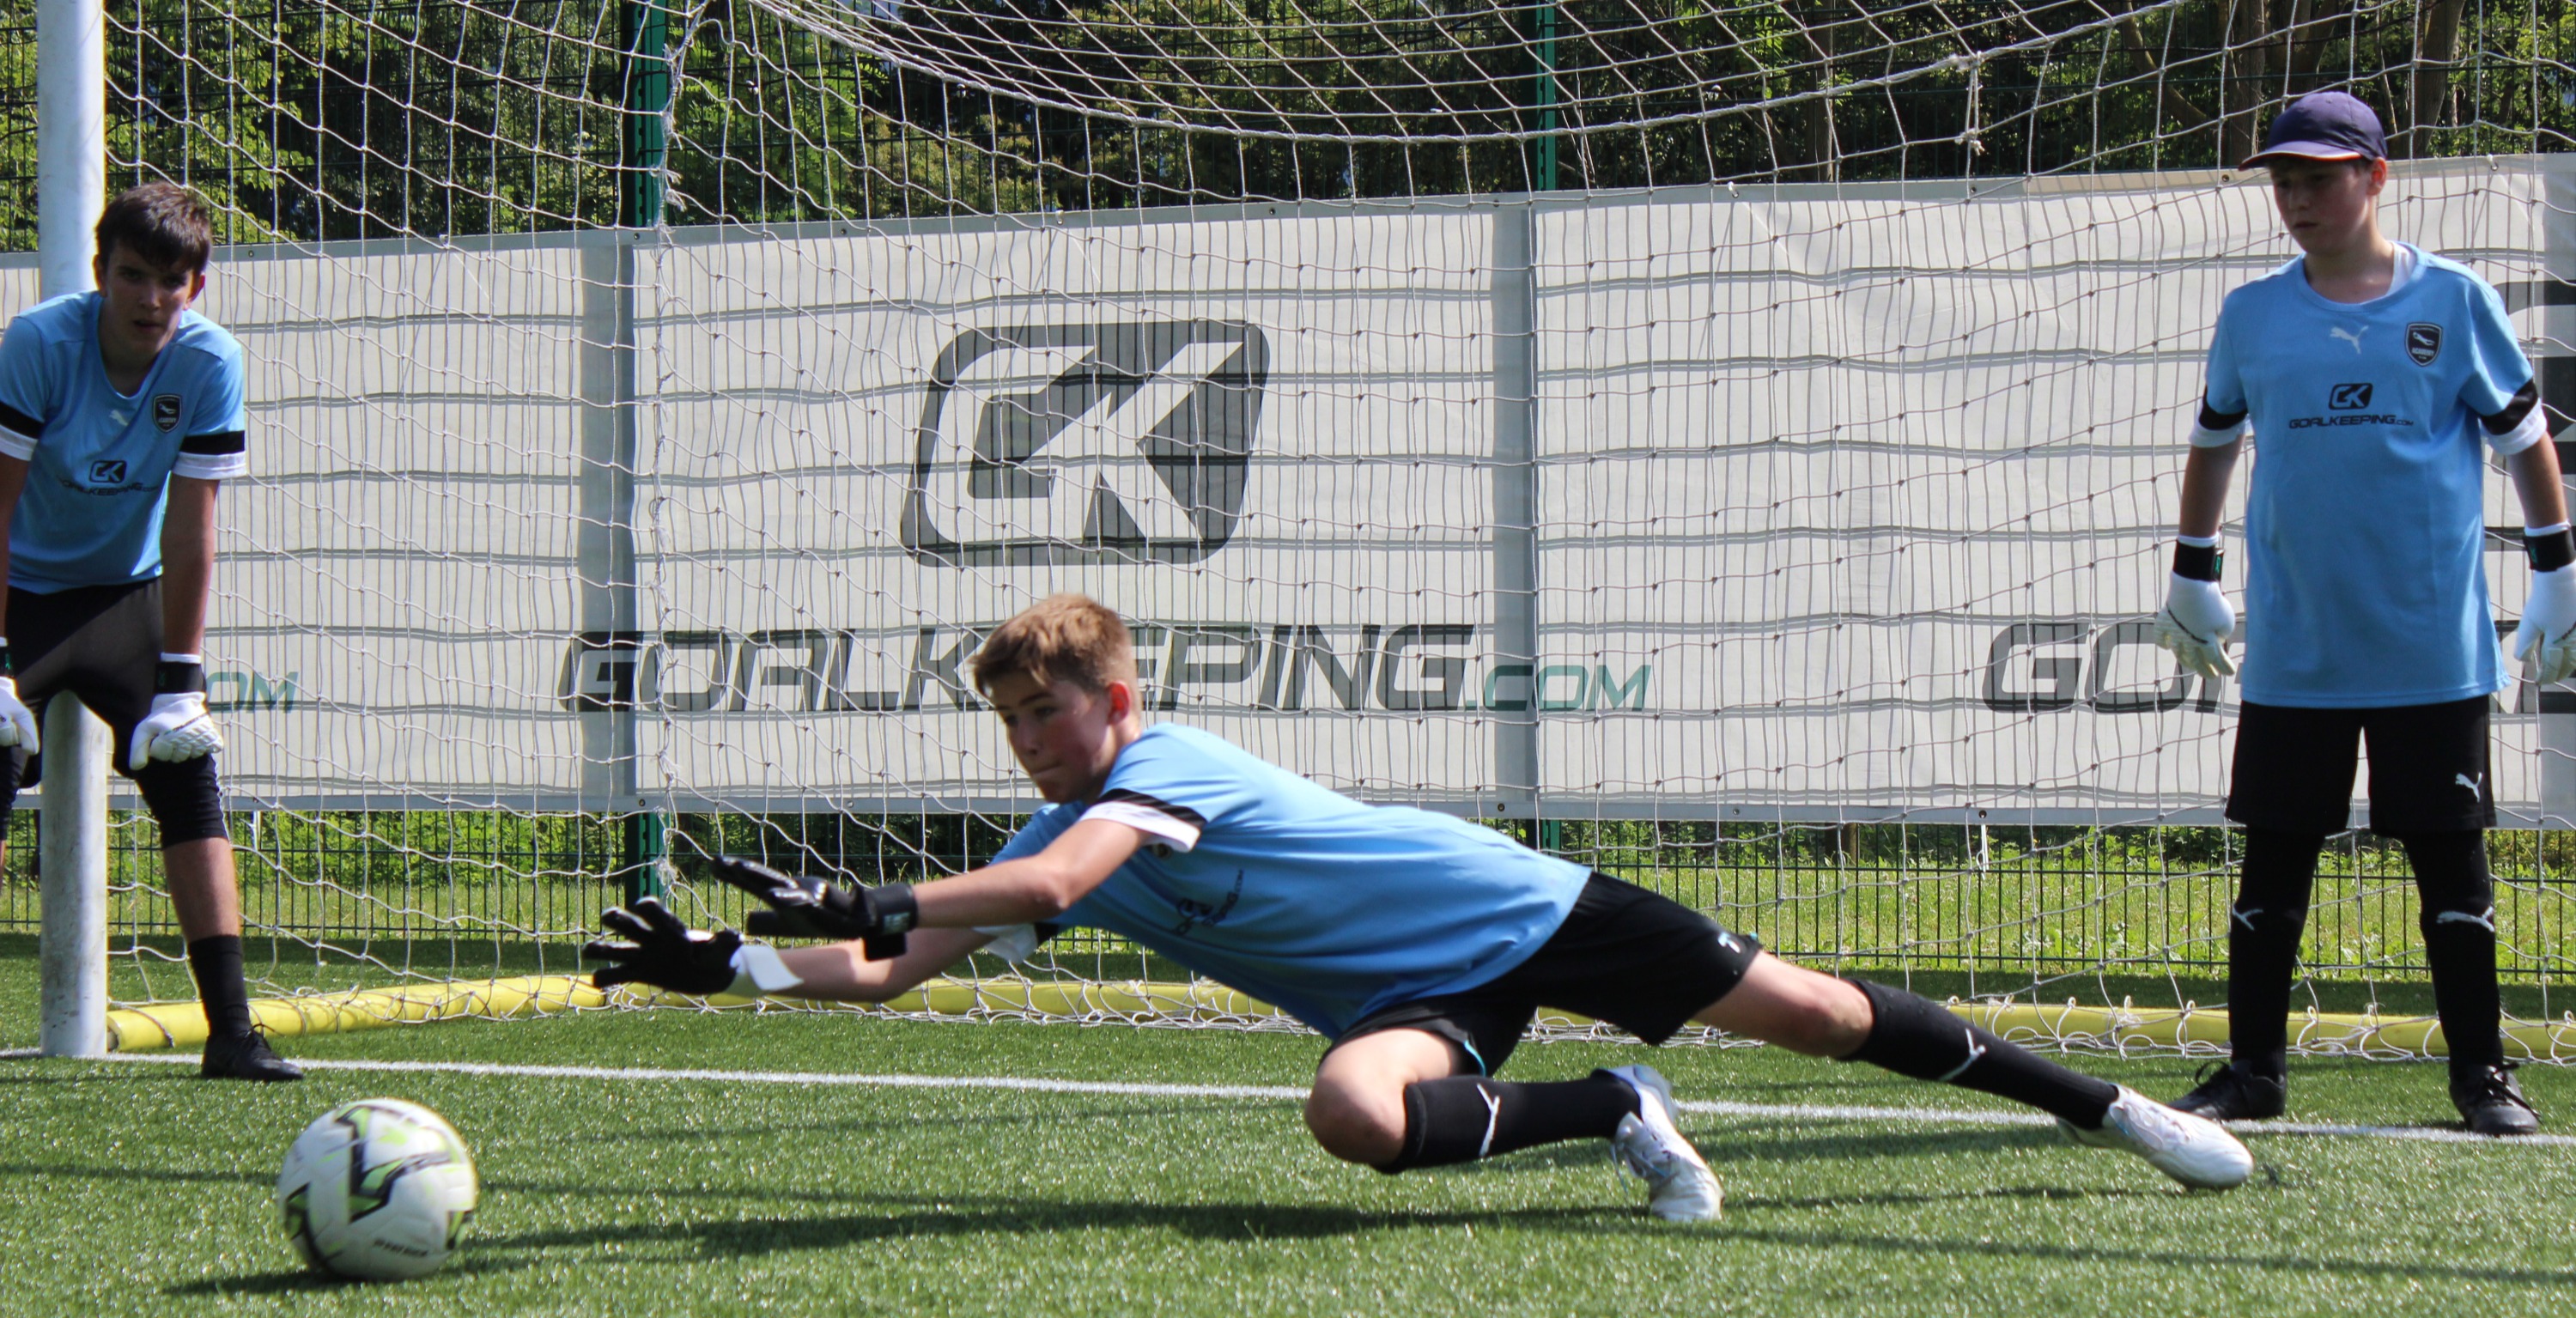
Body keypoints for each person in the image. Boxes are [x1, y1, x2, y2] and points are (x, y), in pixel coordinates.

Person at [588, 594, 2250, 1218]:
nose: (1036, 737)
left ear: (1119, 694)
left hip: (1525, 908)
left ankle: (2115, 1111)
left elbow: (1041, 884)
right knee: (1354, 1115)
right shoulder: (1061, 808)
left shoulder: (1163, 775)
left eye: (1053, 708)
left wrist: (873, 883)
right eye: (1014, 720)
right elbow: (890, 972)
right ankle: (1610, 1105)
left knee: (1818, 1017)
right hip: (1423, 995)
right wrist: (730, 963)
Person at [2151, 90, 2564, 1135]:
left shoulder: (2455, 298)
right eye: (2283, 179)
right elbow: (2214, 438)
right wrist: (2190, 567)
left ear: (2375, 177)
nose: (2297, 197)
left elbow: (2523, 442)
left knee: (2451, 869)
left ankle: (2483, 1077)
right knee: (2273, 863)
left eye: (2320, 176)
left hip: (2430, 648)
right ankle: (2253, 1074)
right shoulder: (2253, 312)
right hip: (2298, 649)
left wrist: (2558, 567)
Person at [0, 183, 296, 1080]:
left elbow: (191, 524)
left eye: (172, 280)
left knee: (187, 770)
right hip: (23, 594)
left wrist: (181, 677)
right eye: (133, 275)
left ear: (197, 285)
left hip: (129, 596)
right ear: (101, 274)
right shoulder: (36, 344)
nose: (151, 298)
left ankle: (234, 1033)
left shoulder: (211, 363)